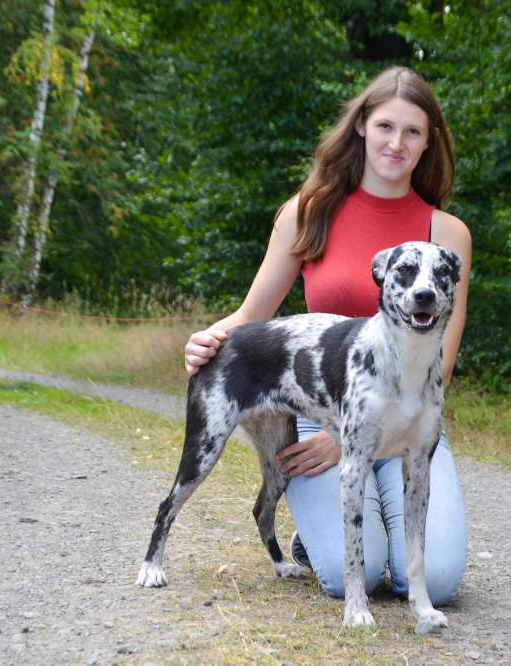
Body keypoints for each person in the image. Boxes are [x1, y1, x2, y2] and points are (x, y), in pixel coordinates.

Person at [182, 67, 471, 606]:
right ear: (361, 125)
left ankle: (367, 523)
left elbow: (442, 366)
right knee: (346, 577)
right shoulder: (308, 212)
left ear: (429, 141)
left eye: (413, 131)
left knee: (436, 581)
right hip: (325, 416)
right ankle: (316, 540)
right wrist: (205, 339)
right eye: (386, 125)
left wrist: (359, 445)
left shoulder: (446, 233)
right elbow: (251, 314)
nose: (396, 142)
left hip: (410, 417)